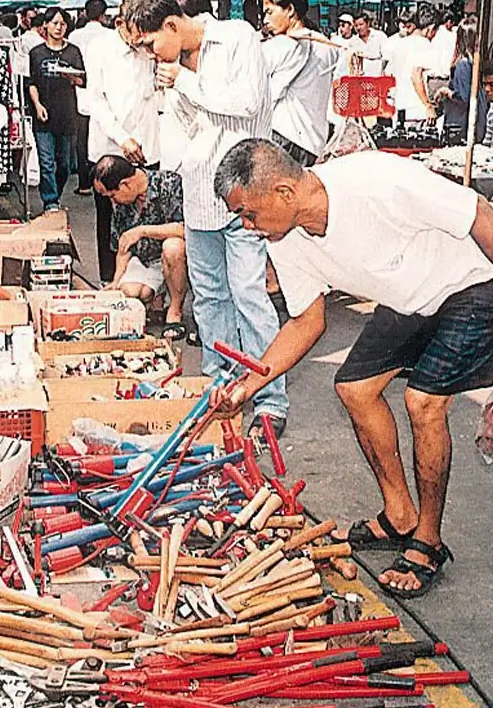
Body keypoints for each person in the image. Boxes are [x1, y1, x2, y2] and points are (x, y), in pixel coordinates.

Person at [213, 139, 493, 597]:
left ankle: (428, 540)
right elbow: (307, 321)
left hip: (472, 285)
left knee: (423, 404)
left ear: (284, 193)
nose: (247, 227)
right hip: (411, 299)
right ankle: (399, 514)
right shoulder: (285, 239)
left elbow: (479, 212)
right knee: (354, 388)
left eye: (248, 214)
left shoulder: (374, 180)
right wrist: (247, 386)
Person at [124, 0, 291, 437]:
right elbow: (181, 132)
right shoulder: (175, 67)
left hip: (244, 196)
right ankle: (220, 385)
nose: (150, 52)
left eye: (150, 42)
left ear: (173, 24)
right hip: (199, 197)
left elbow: (245, 102)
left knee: (248, 295)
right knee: (211, 298)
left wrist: (186, 82)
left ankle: (270, 399)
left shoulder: (236, 38)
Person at [85, 14, 161, 283]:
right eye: (134, 33)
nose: (138, 39)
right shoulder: (99, 48)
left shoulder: (149, 49)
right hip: (111, 148)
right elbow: (95, 100)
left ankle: (151, 283)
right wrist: (122, 138)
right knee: (109, 220)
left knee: (149, 213)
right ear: (119, 23)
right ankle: (110, 282)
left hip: (147, 148)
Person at [93, 156, 189, 340]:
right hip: (143, 259)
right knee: (131, 292)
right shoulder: (121, 203)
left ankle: (175, 310)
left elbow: (184, 228)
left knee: (173, 247)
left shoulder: (168, 183)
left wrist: (143, 231)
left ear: (125, 184)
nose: (113, 201)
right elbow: (123, 246)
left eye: (113, 195)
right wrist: (115, 281)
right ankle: (155, 300)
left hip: (171, 257)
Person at [261, 0, 340, 164]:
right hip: (314, 142)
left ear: (290, 10)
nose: (265, 21)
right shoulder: (328, 46)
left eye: (269, 12)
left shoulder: (282, 44)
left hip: (284, 137)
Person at [29, 8, 87, 214]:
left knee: (63, 164)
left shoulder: (73, 52)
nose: (58, 27)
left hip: (68, 115)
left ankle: (56, 194)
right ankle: (51, 203)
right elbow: (31, 82)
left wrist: (73, 78)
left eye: (62, 23)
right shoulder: (36, 53)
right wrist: (37, 105)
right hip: (43, 116)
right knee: (46, 163)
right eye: (54, 23)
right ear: (45, 25)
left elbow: (82, 80)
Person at [69, 0, 111, 197]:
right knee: (104, 139)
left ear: (85, 13)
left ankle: (85, 182)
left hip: (81, 93)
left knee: (82, 140)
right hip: (106, 94)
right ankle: (107, 179)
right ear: (103, 15)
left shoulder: (75, 36)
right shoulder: (110, 36)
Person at [430, 21, 486, 140]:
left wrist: (446, 91)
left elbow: (463, 97)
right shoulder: (474, 63)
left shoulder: (463, 65)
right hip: (473, 119)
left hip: (460, 123)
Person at [380, 6, 433, 123]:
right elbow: (416, 75)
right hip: (417, 109)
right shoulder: (423, 44)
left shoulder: (398, 44)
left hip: (400, 107)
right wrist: (428, 105)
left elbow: (388, 74)